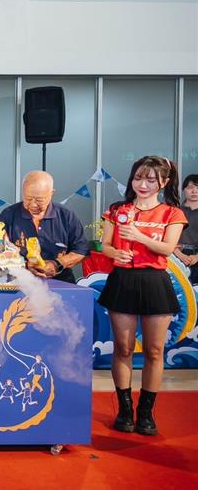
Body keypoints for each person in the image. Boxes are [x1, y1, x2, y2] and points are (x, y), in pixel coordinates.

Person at [99, 156, 186, 436]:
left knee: (154, 350)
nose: (143, 184)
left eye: (150, 179)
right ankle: (125, 410)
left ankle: (146, 412)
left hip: (155, 282)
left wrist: (138, 236)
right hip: (122, 280)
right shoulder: (116, 210)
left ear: (164, 182)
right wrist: (115, 253)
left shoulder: (172, 213)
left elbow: (168, 248)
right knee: (123, 348)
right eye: (138, 178)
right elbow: (105, 246)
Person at [0, 171, 89, 283]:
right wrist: (24, 264)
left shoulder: (66, 215)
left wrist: (57, 264)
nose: (33, 204)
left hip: (61, 280)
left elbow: (81, 250)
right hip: (18, 280)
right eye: (28, 198)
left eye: (39, 200)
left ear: (51, 193)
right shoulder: (9, 215)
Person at [174, 173, 198, 283]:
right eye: (190, 188)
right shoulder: (175, 212)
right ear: (183, 190)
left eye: (197, 188)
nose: (194, 191)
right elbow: (165, 236)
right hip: (175, 256)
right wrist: (179, 255)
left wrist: (196, 257)